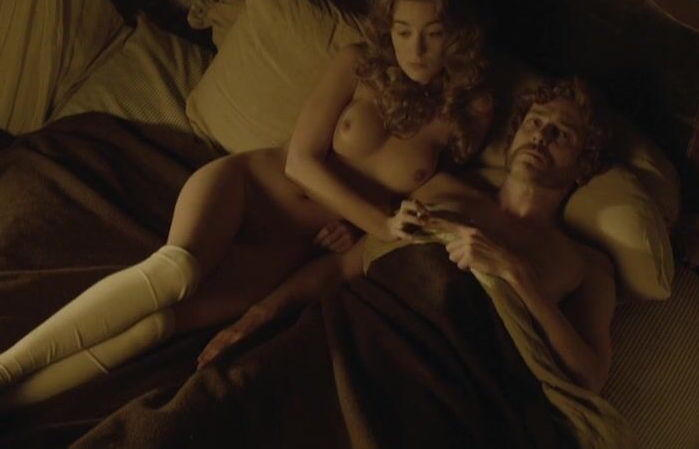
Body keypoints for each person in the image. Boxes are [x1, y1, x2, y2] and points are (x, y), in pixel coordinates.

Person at [0, 0, 494, 447]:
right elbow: (301, 161)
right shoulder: (356, 63)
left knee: (157, 328)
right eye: (403, 31)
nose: (415, 49)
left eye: (432, 33)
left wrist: (362, 233)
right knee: (176, 272)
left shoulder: (467, 116)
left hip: (285, 250)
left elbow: (432, 204)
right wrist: (376, 221)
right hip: (249, 188)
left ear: (458, 34)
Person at [198, 77, 617, 393]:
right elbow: (343, 267)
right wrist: (255, 318)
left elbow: (589, 375)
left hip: (445, 384)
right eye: (534, 122)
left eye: (562, 133)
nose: (541, 136)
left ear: (584, 163)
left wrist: (517, 273)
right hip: (356, 334)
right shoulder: (441, 190)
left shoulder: (585, 264)